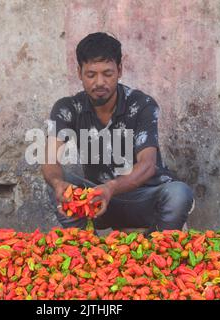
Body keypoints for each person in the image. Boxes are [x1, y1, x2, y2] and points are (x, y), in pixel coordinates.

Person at [41, 32, 194, 236]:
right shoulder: (68, 108)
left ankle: (158, 250)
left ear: (120, 70)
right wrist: (58, 183)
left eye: (107, 73)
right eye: (91, 74)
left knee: (179, 194)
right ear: (79, 73)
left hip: (145, 199)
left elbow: (147, 165)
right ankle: (86, 250)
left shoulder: (142, 105)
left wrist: (111, 188)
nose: (99, 82)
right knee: (55, 185)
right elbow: (50, 160)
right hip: (99, 201)